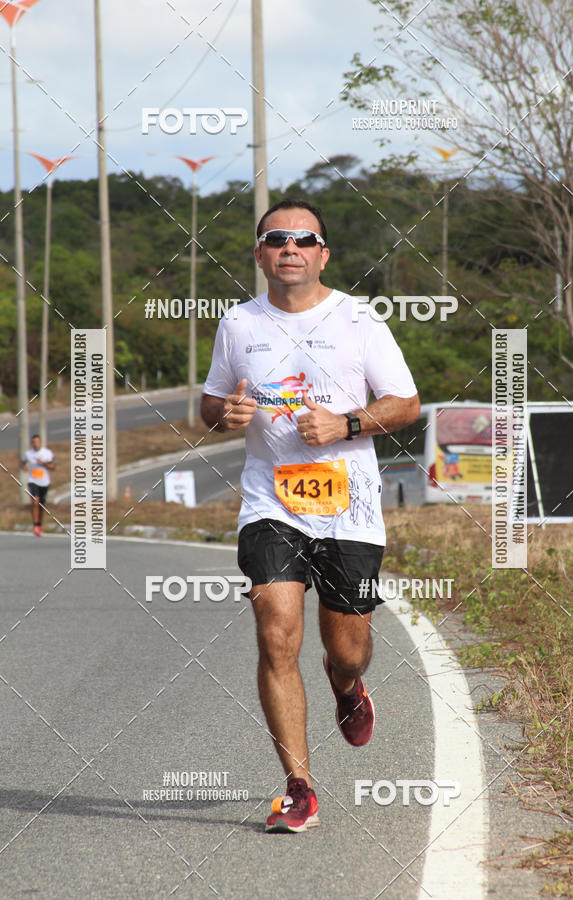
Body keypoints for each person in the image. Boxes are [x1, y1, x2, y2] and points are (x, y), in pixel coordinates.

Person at [200, 198, 420, 833]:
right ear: (260, 253)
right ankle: (299, 787)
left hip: (349, 507)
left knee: (346, 646)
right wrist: (226, 417)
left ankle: (346, 685)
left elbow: (405, 404)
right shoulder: (239, 323)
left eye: (304, 239)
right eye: (276, 239)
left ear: (323, 254)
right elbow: (213, 403)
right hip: (271, 503)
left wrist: (348, 422)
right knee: (276, 633)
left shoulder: (357, 320)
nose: (289, 248)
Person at [21, 434, 55, 537]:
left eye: (37, 442)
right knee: (35, 501)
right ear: (31, 444)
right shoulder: (28, 454)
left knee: (42, 505)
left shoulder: (47, 453)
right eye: (33, 442)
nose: (35, 444)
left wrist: (43, 463)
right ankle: (35, 525)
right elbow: (22, 462)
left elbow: (53, 467)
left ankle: (39, 524)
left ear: (40, 443)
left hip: (44, 482)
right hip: (33, 481)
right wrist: (24, 467)